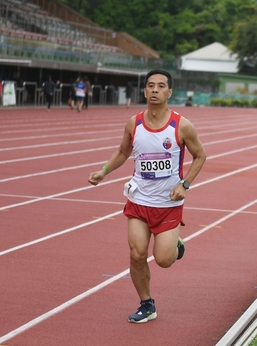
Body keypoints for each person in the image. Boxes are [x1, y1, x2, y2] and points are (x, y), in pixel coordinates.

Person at [88, 69, 206, 324]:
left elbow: (200, 155)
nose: (155, 90)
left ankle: (175, 244)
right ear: (144, 90)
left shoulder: (181, 125)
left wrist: (184, 184)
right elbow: (123, 151)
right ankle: (147, 304)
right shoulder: (134, 123)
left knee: (163, 260)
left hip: (168, 204)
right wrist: (103, 171)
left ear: (169, 92)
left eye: (161, 86)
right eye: (150, 85)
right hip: (139, 201)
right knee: (137, 254)